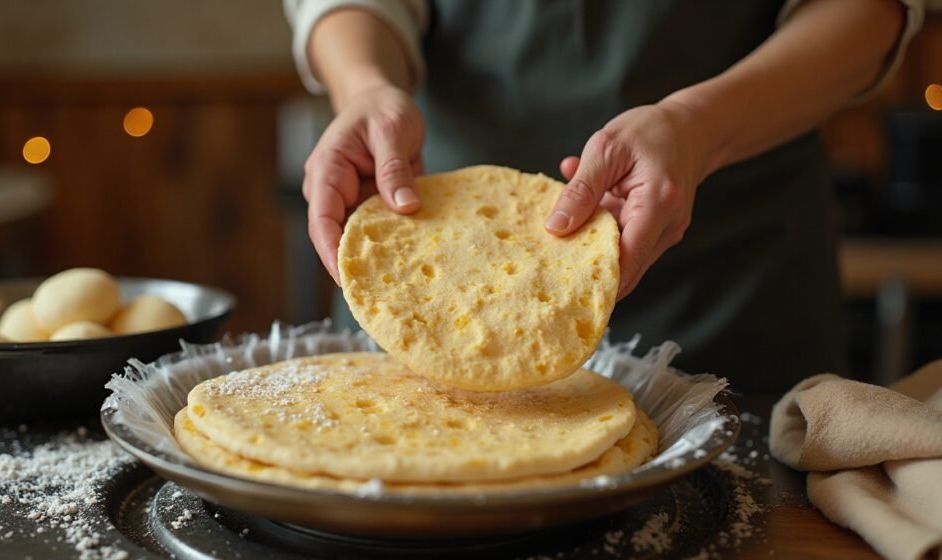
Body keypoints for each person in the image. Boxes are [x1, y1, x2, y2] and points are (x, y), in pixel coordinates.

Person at [284, 0, 923, 392]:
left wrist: (699, 127)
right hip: (425, 281)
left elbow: (869, 10)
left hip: (734, 290)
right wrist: (365, 88)